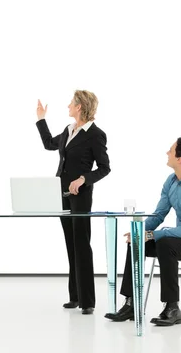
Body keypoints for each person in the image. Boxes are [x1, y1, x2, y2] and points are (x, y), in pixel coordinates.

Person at [105, 137, 181, 326]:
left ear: (180, 158)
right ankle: (131, 303)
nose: (167, 153)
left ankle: (172, 308)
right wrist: (141, 231)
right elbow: (159, 214)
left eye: (171, 150)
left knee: (166, 244)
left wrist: (153, 235)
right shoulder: (172, 181)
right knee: (137, 240)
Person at [36, 90, 111, 314]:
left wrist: (84, 178)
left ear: (79, 107)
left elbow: (105, 168)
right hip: (61, 194)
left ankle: (88, 301)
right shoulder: (69, 130)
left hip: (81, 196)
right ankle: (75, 296)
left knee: (82, 244)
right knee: (71, 243)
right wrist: (41, 119)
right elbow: (50, 144)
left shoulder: (95, 134)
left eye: (71, 103)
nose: (68, 105)